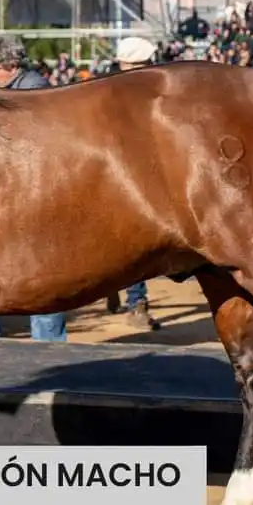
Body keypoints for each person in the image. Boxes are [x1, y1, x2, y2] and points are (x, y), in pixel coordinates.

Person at [0, 36, 67, 342]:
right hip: (1, 199)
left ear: (11, 66)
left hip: (36, 203)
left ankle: (49, 351)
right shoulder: (0, 90)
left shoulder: (36, 94)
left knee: (43, 280)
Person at [102, 37, 162, 331]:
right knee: (137, 243)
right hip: (131, 177)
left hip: (115, 175)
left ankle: (119, 292)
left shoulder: (104, 90)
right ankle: (135, 303)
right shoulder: (145, 92)